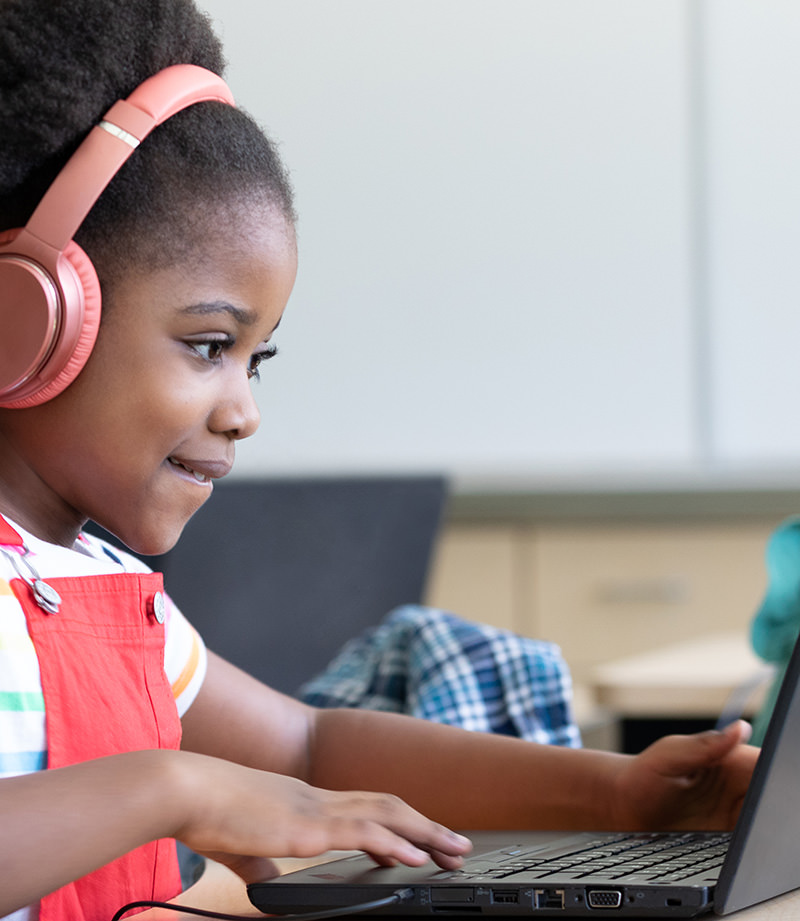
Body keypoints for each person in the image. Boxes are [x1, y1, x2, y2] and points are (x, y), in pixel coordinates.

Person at [0, 1, 759, 920]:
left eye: (258, 359)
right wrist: (176, 788)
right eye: (209, 344)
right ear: (27, 320)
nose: (244, 412)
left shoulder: (101, 587)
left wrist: (620, 794)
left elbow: (310, 750)